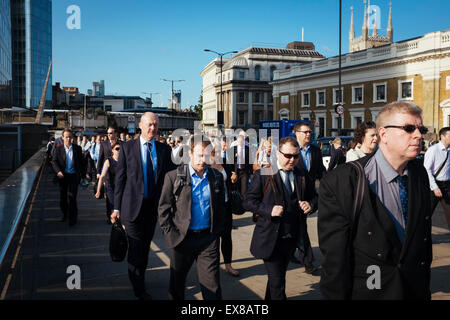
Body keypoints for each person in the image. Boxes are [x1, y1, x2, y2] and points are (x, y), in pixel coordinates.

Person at [318, 101, 433, 300]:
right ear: (384, 134)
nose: (418, 135)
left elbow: (422, 241)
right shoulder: (343, 181)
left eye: (420, 128)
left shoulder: (419, 173)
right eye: (408, 128)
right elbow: (335, 260)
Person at [243, 137, 318, 300]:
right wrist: (269, 210)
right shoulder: (264, 173)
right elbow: (248, 202)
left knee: (276, 279)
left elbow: (315, 197)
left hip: (291, 237)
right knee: (278, 283)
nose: (292, 160)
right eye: (288, 156)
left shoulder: (301, 174)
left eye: (296, 156)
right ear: (277, 154)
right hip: (270, 237)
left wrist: (310, 205)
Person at [112, 112, 176, 300]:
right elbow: (120, 180)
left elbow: (171, 179)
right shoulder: (127, 148)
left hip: (152, 209)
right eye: (149, 125)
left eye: (155, 125)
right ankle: (139, 288)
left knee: (145, 247)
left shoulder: (164, 150)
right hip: (131, 208)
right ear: (140, 125)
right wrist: (116, 208)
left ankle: (139, 275)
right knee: (135, 248)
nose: (152, 129)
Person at [158, 135, 226, 300]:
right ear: (190, 153)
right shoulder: (173, 177)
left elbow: (221, 207)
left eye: (207, 156)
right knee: (177, 284)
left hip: (207, 240)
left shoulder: (216, 177)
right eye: (199, 155)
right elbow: (163, 209)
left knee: (212, 287)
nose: (203, 160)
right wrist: (171, 236)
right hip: (182, 239)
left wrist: (216, 232)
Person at [292, 121, 325, 272]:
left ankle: (302, 257)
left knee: (300, 227)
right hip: (294, 196)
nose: (308, 134)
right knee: (300, 228)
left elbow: (321, 173)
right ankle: (308, 261)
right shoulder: (291, 150)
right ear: (296, 133)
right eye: (305, 132)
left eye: (309, 132)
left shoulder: (315, 151)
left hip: (309, 197)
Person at [210, 143, 239, 277]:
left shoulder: (225, 164)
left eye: (218, 151)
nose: (216, 154)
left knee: (227, 237)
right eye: (213, 152)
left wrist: (234, 178)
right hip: (212, 208)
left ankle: (228, 265)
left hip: (226, 205)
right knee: (213, 239)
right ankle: (212, 268)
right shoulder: (206, 167)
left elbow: (232, 179)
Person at [51, 128, 85, 226]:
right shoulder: (58, 149)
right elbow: (54, 161)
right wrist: (58, 172)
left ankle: (73, 219)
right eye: (66, 137)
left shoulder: (77, 149)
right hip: (63, 176)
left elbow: (82, 163)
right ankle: (65, 214)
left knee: (72, 197)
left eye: (70, 137)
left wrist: (82, 175)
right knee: (63, 197)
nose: (68, 139)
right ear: (62, 138)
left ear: (72, 138)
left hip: (74, 176)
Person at [424, 126, 450, 231]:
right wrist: (434, 187)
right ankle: (422, 236)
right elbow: (427, 169)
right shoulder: (433, 150)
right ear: (442, 136)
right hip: (433, 185)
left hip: (447, 185)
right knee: (427, 213)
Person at [98, 126, 121, 222]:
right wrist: (98, 172)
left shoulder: (121, 144)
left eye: (111, 133)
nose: (109, 135)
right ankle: (110, 215)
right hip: (108, 172)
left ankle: (118, 215)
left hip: (119, 172)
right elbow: (100, 157)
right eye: (108, 133)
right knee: (109, 198)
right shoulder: (104, 144)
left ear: (115, 133)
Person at [227, 131, 252, 205]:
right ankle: (237, 204)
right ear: (237, 141)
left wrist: (251, 173)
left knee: (244, 189)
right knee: (236, 188)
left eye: (242, 141)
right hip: (236, 171)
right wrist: (232, 172)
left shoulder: (247, 149)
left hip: (244, 171)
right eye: (239, 141)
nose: (240, 142)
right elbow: (230, 161)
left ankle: (243, 205)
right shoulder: (233, 149)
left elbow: (250, 161)